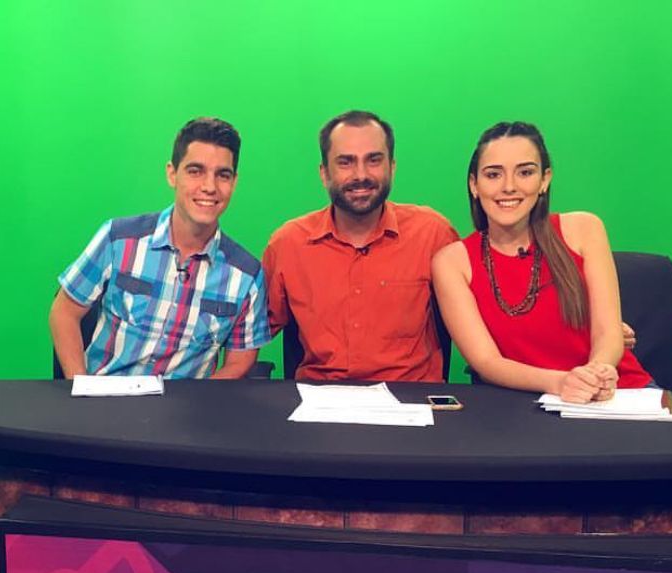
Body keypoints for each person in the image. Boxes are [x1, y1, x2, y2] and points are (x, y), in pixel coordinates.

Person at [430, 121, 651, 403]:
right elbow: (486, 362)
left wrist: (596, 375)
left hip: (619, 394)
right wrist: (562, 383)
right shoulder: (452, 262)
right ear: (474, 184)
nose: (509, 187)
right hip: (527, 405)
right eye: (493, 174)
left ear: (544, 180)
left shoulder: (585, 228)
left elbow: (608, 332)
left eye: (525, 172)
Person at [50, 117, 269, 379]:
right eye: (195, 171)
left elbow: (240, 360)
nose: (209, 187)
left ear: (234, 182)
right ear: (172, 174)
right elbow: (64, 311)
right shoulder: (118, 239)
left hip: (186, 411)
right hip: (104, 402)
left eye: (223, 175)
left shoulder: (246, 275)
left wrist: (203, 404)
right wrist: (81, 386)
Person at [263, 110, 459, 382]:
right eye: (346, 162)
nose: (361, 174)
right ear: (324, 173)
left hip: (411, 403)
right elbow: (248, 333)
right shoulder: (288, 244)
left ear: (392, 166)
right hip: (320, 404)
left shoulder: (433, 234)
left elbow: (479, 323)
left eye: (374, 160)